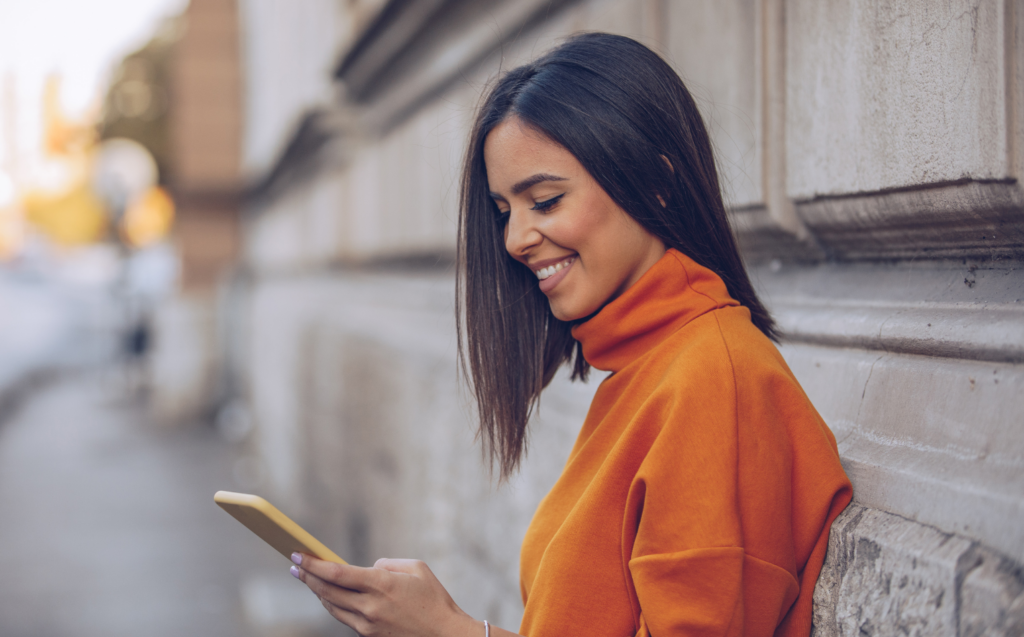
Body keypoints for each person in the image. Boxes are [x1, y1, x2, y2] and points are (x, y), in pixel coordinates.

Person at [290, 32, 852, 637]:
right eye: (505, 211)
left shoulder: (713, 382)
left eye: (547, 200)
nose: (515, 239)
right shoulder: (646, 370)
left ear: (656, 183)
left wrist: (451, 631)